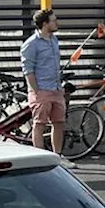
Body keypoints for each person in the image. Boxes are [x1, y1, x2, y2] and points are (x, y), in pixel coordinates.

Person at [21, 9, 69, 165]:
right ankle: (40, 159)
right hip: (41, 90)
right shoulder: (30, 44)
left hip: (56, 89)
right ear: (44, 24)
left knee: (59, 123)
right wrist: (36, 91)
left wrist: (59, 86)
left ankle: (58, 156)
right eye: (54, 20)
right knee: (39, 124)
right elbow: (28, 70)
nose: (57, 23)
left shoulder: (54, 40)